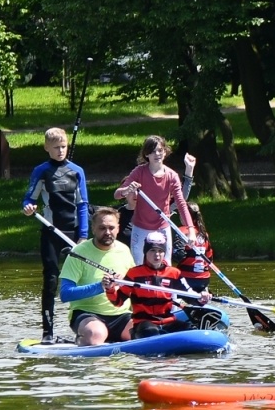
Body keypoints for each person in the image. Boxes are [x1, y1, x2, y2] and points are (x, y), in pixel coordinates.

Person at [21, 127, 90, 341]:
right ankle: (48, 332)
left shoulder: (77, 171)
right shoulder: (41, 171)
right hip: (51, 232)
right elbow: (28, 199)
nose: (61, 151)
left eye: (63, 146)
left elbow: (83, 204)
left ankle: (84, 328)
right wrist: (28, 208)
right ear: (46, 148)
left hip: (75, 233)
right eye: (56, 147)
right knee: (51, 280)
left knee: (80, 281)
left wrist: (84, 236)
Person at [106, 230, 211, 340]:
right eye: (152, 250)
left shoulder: (174, 273)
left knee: (192, 331)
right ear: (145, 252)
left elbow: (190, 296)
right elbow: (118, 301)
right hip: (144, 323)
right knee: (151, 332)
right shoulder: (134, 274)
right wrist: (110, 289)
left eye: (160, 251)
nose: (157, 254)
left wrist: (201, 298)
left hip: (168, 321)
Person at [57, 206, 137, 346]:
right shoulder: (78, 253)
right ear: (93, 229)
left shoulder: (124, 250)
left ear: (118, 228)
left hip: (121, 315)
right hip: (87, 314)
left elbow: (134, 288)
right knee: (96, 334)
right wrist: (100, 286)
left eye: (111, 228)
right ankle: (83, 339)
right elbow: (65, 294)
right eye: (102, 228)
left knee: (143, 331)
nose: (107, 232)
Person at [114, 135, 193, 261]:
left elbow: (181, 204)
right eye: (152, 151)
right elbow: (117, 194)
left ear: (165, 152)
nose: (157, 154)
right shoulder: (139, 171)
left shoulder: (171, 176)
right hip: (140, 227)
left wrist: (191, 230)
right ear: (146, 155)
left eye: (160, 150)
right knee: (138, 265)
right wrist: (127, 190)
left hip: (162, 227)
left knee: (165, 265)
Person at [172, 203, 213, 293]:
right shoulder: (204, 233)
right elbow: (209, 258)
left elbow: (177, 256)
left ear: (185, 216)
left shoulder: (182, 230)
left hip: (186, 279)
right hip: (204, 279)